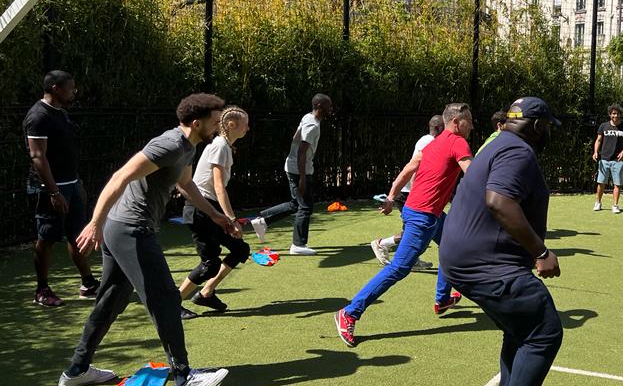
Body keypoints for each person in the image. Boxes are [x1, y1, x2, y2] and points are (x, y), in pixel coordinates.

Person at [58, 94, 235, 386]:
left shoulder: (189, 146)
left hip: (125, 228)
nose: (220, 126)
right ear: (197, 122)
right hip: (130, 229)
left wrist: (216, 216)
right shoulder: (168, 144)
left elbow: (186, 185)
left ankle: (76, 370)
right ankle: (184, 379)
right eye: (216, 120)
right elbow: (120, 176)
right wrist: (95, 222)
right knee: (165, 297)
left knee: (111, 301)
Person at [441, 96, 562, 386]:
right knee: (544, 331)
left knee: (520, 327)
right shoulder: (518, 152)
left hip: (468, 257)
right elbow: (497, 200)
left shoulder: (496, 142)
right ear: (537, 126)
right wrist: (540, 251)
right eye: (547, 128)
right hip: (486, 263)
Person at [335, 103, 473, 347]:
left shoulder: (432, 144)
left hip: (425, 212)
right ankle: (350, 312)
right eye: (469, 121)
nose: (471, 126)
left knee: (453, 247)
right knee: (399, 269)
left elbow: (408, 169)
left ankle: (442, 300)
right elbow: (473, 176)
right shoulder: (457, 141)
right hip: (422, 216)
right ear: (456, 123)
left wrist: (391, 197)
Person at [23, 70, 99, 307]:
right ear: (56, 88)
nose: (74, 92)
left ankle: (88, 283)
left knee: (76, 234)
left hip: (71, 185)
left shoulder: (61, 114)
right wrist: (54, 192)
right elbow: (37, 156)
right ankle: (42, 290)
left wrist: (76, 182)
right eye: (70, 88)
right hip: (49, 189)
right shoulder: (38, 116)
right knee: (46, 237)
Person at [178, 106, 252, 320]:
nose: (248, 127)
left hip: (208, 209)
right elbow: (218, 187)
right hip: (201, 210)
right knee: (210, 264)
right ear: (232, 125)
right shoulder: (220, 146)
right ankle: (173, 304)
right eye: (245, 123)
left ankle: (206, 293)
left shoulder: (224, 147)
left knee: (239, 249)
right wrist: (231, 219)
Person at [249, 93, 333, 255]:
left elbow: (295, 137)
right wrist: (302, 177)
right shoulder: (313, 126)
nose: (331, 109)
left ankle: (263, 220)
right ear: (320, 107)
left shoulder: (308, 118)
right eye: (329, 106)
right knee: (305, 207)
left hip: (293, 166)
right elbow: (302, 151)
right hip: (299, 169)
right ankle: (298, 245)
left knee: (296, 203)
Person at [370, 114, 444, 268]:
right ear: (438, 128)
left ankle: (412, 258)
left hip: (414, 193)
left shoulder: (428, 140)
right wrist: (418, 192)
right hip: (411, 194)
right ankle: (382, 244)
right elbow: (416, 168)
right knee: (417, 232)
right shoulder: (429, 141)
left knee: (428, 231)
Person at [592, 103, 623, 214]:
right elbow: (598, 140)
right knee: (601, 183)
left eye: (618, 114)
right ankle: (598, 203)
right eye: (613, 113)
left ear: (620, 115)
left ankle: (615, 205)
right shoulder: (603, 126)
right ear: (610, 114)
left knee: (617, 184)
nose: (616, 116)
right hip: (604, 160)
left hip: (617, 161)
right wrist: (595, 152)